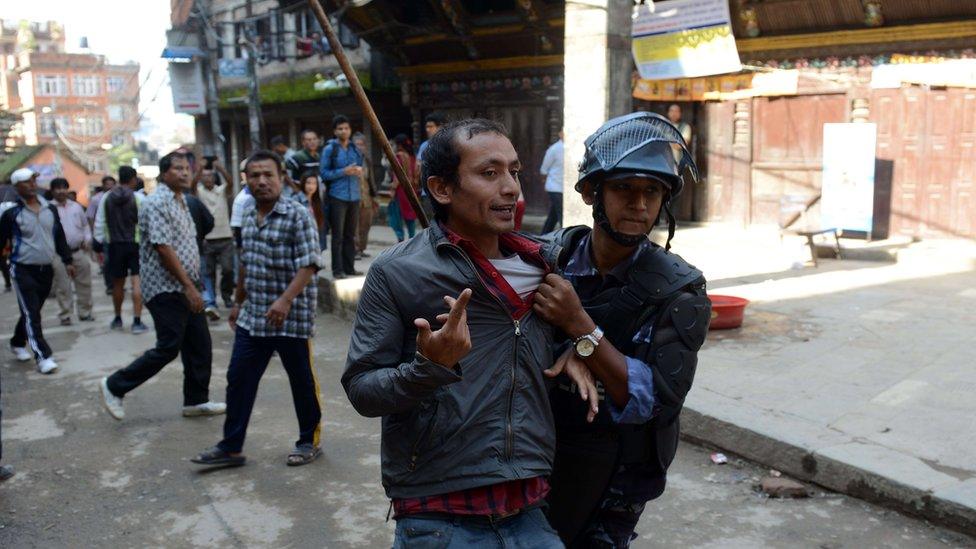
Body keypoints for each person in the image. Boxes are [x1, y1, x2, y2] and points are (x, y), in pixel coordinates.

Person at [343, 119, 570, 548]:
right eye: (489, 173)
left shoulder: (546, 267)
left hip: (530, 507)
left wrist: (579, 339)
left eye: (514, 172)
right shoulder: (398, 272)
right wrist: (430, 368)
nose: (511, 189)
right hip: (439, 515)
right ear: (442, 189)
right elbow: (361, 388)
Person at [536, 112, 711, 547]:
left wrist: (582, 332)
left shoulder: (680, 291)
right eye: (625, 189)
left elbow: (657, 399)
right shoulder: (548, 258)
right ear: (592, 192)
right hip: (538, 452)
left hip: (617, 476)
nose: (640, 204)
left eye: (652, 191)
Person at [192, 150, 323, 468]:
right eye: (254, 176)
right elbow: (245, 263)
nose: (261, 181)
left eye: (268, 175)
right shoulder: (248, 214)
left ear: (281, 179)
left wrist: (285, 299)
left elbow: (309, 264)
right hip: (254, 315)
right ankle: (231, 447)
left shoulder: (297, 214)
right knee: (239, 378)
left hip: (291, 317)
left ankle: (309, 441)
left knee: (300, 380)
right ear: (246, 180)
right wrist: (237, 302)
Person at [99, 152, 225, 421]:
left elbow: (187, 245)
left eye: (186, 168)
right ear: (164, 173)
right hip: (166, 288)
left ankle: (196, 400)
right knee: (169, 346)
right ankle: (114, 386)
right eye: (177, 168)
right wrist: (189, 287)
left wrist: (195, 283)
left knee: (200, 344)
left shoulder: (182, 201)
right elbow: (163, 248)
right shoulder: (157, 202)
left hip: (186, 285)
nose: (183, 173)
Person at [0, 168, 74, 374]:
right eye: (26, 182)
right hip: (22, 268)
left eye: (33, 180)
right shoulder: (11, 213)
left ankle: (17, 341)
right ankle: (43, 356)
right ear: (17, 187)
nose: (32, 184)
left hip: (46, 268)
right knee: (32, 312)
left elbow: (58, 236)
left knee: (32, 311)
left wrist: (67, 260)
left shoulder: (50, 209)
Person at [95, 166, 148, 334]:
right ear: (133, 179)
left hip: (114, 245)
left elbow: (100, 222)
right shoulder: (139, 198)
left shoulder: (106, 197)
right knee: (136, 282)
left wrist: (99, 242)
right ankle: (137, 321)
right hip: (135, 244)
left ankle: (118, 318)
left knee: (118, 283)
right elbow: (146, 223)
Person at [320, 114, 363, 279]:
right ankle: (337, 270)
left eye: (346, 128)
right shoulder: (330, 149)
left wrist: (358, 171)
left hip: (354, 195)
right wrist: (343, 171)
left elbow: (360, 166)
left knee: (350, 235)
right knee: (337, 235)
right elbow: (323, 173)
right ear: (335, 131)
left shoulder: (354, 148)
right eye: (340, 129)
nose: (344, 131)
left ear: (350, 130)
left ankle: (350, 268)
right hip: (337, 195)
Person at [193, 161, 236, 319]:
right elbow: (192, 186)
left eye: (210, 175)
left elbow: (230, 182)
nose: (207, 178)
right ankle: (211, 301)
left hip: (225, 237)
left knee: (228, 269)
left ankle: (226, 295)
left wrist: (220, 168)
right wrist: (199, 170)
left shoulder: (222, 191)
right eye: (204, 176)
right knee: (208, 273)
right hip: (207, 239)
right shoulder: (199, 192)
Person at [50, 178, 94, 325]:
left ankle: (85, 312)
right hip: (58, 254)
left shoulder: (76, 207)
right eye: (57, 188)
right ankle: (65, 314)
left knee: (84, 283)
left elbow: (85, 226)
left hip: (77, 251)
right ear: (52, 191)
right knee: (62, 285)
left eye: (64, 188)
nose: (61, 191)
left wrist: (87, 239)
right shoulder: (48, 209)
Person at [386, 134, 418, 243]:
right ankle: (412, 239)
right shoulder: (413, 157)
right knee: (410, 215)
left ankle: (400, 238)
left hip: (401, 191)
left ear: (399, 145)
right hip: (412, 190)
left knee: (395, 215)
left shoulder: (399, 156)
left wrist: (393, 189)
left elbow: (398, 175)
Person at [88, 175, 117, 294]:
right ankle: (110, 285)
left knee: (116, 262)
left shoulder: (118, 196)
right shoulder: (96, 199)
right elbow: (91, 216)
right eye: (107, 184)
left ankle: (117, 283)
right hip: (104, 235)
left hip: (116, 235)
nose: (110, 186)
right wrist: (94, 233)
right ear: (103, 185)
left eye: (112, 184)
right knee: (107, 261)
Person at [352, 132, 377, 259]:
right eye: (357, 144)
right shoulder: (350, 160)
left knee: (366, 224)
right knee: (354, 226)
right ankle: (355, 250)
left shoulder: (367, 160)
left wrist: (374, 196)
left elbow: (370, 179)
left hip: (367, 197)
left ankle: (361, 248)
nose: (359, 147)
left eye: (362, 144)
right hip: (353, 197)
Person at [540, 130, 564, 233]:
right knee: (562, 215)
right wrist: (545, 180)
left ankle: (543, 236)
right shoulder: (554, 149)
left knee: (553, 216)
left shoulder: (573, 147)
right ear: (560, 133)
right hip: (555, 186)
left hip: (565, 187)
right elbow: (544, 169)